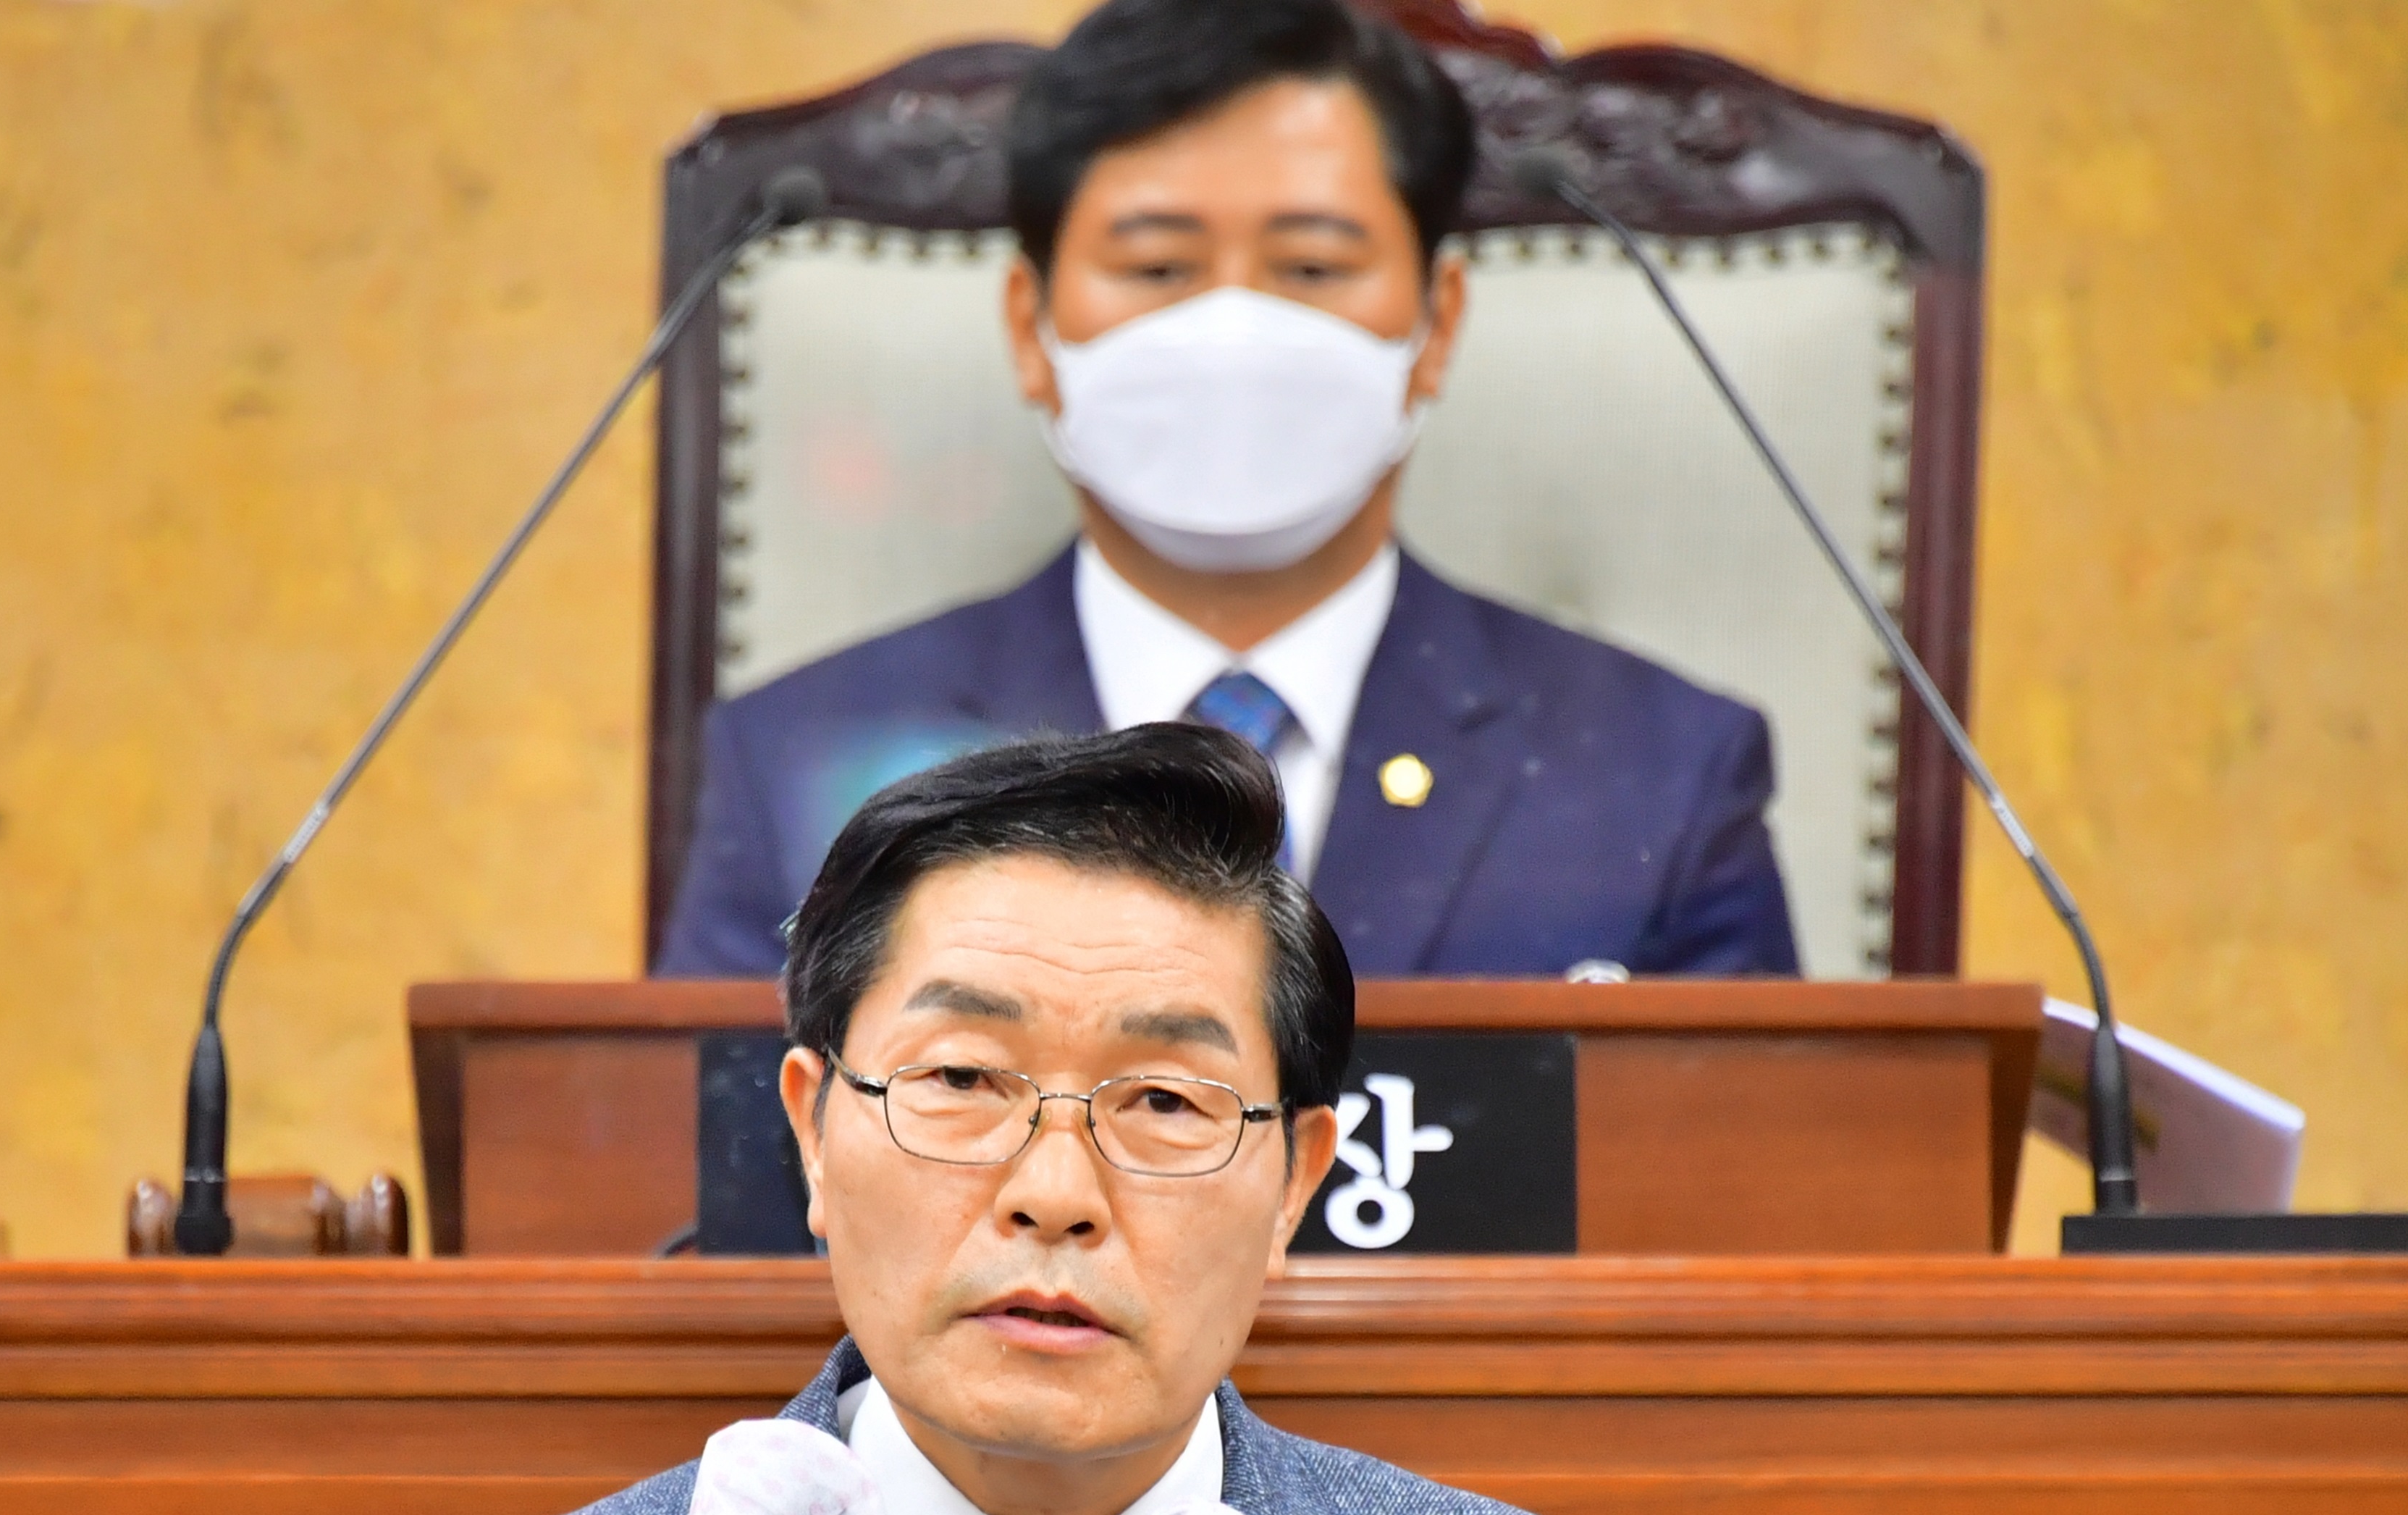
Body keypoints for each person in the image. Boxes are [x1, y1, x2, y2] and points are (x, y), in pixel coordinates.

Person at [273, 724, 1786, 1515]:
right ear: (810, 1126)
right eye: (962, 1079)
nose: (1054, 1192)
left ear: (1295, 1188)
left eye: (1167, 1105)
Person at [654, 0, 1801, 986]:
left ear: (1437, 324)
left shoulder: (1663, 772)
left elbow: (1756, 1215)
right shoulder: (808, 762)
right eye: (1157, 267)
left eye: (1312, 267)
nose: (1233, 332)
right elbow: (704, 1211)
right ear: (1032, 328)